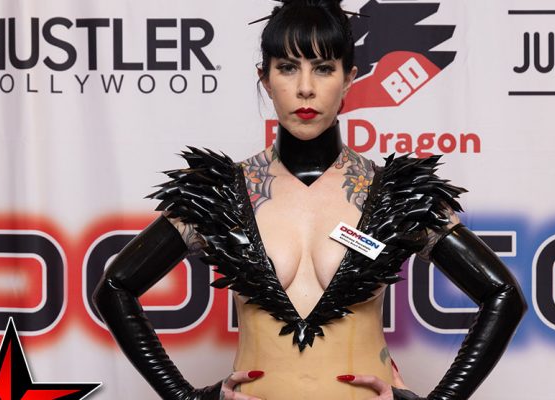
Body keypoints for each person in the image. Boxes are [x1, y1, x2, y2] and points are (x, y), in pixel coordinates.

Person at [92, 1, 527, 399]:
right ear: (264, 78)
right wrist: (188, 397)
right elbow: (115, 287)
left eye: (323, 68)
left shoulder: (397, 193)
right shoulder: (219, 191)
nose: (305, 88)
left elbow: (503, 294)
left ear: (349, 78)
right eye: (287, 67)